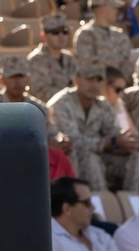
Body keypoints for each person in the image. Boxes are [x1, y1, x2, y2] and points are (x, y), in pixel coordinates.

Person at [49, 58, 139, 193]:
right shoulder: (62, 104)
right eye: (90, 79)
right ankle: (99, 206)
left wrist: (127, 142)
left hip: (102, 159)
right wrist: (109, 142)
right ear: (77, 80)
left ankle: (133, 203)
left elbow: (114, 133)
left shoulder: (103, 105)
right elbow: (72, 142)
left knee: (136, 155)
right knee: (90, 158)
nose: (95, 84)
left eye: (99, 80)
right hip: (75, 160)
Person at [0, 55, 75, 180]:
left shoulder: (38, 108)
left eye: (21, 76)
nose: (17, 82)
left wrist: (60, 140)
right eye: (12, 77)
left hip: (34, 159)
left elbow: (52, 133)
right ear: (2, 80)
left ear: (28, 78)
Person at [75, 0, 134, 84]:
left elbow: (129, 60)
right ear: (102, 10)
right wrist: (117, 61)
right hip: (100, 87)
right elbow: (87, 65)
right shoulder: (86, 34)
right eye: (113, 8)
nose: (117, 11)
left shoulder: (119, 34)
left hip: (125, 84)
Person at [28, 13, 78, 103]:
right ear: (44, 35)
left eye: (65, 31)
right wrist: (70, 97)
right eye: (55, 32)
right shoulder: (36, 60)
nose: (61, 36)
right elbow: (40, 92)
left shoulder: (69, 58)